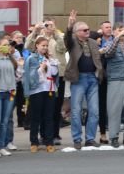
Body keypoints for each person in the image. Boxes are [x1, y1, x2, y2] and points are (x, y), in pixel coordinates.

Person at [64, 10, 103, 150]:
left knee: (94, 110)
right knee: (76, 110)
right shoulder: (72, 41)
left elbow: (97, 58)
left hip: (93, 78)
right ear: (77, 32)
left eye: (88, 29)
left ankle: (90, 139)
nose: (88, 31)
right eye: (84, 30)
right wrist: (69, 26)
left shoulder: (92, 42)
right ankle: (77, 139)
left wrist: (100, 73)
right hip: (78, 79)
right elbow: (66, 39)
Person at [27, 18, 67, 145]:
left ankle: (54, 134)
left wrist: (55, 33)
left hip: (56, 74)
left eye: (51, 24)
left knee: (55, 107)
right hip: (40, 76)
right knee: (40, 108)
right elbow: (28, 46)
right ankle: (42, 135)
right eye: (47, 24)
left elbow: (63, 49)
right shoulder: (39, 37)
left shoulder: (59, 36)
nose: (49, 27)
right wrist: (35, 31)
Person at [0, 35, 22, 158]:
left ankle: (1, 146)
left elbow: (18, 77)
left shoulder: (11, 60)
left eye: (9, 45)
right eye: (5, 45)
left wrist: (20, 66)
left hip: (10, 92)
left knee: (5, 121)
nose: (8, 47)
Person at [23, 36, 59, 153]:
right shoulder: (32, 59)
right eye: (42, 45)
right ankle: (34, 141)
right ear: (37, 46)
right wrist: (40, 69)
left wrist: (52, 64)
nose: (44, 48)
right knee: (36, 117)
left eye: (46, 46)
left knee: (48, 117)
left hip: (49, 89)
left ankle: (49, 141)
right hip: (37, 90)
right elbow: (29, 75)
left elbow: (54, 73)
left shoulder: (49, 58)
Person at [95, 20, 114, 144]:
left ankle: (114, 133)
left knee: (113, 106)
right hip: (102, 77)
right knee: (102, 106)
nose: (109, 29)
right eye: (106, 27)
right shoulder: (97, 41)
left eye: (110, 27)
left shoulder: (116, 40)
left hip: (114, 76)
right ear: (101, 29)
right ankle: (103, 133)